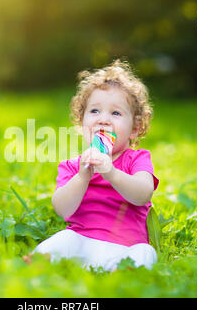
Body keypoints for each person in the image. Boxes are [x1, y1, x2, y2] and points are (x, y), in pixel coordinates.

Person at [32, 59, 159, 272]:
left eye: (116, 113)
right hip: (81, 240)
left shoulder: (137, 159)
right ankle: (40, 262)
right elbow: (62, 209)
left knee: (146, 253)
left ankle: (125, 272)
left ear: (135, 129)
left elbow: (143, 194)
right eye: (95, 111)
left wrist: (111, 172)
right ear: (82, 123)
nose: (103, 120)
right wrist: (82, 177)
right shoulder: (73, 167)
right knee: (62, 240)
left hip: (125, 247)